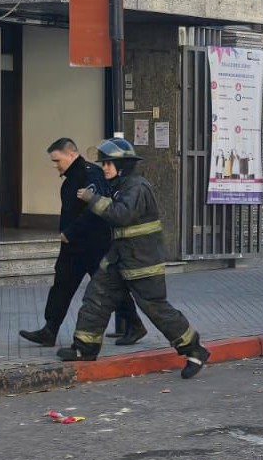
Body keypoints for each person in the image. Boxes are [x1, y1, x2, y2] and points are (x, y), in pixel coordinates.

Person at [57, 138, 210, 379]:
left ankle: (195, 350)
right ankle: (84, 349)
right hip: (118, 260)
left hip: (142, 262)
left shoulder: (137, 187)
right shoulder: (120, 185)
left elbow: (121, 215)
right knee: (96, 298)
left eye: (109, 163)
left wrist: (92, 199)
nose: (104, 167)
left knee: (156, 308)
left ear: (124, 165)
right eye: (104, 163)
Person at [19, 138, 142, 347]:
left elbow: (95, 210)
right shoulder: (72, 179)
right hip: (73, 247)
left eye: (57, 160)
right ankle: (50, 330)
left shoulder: (90, 174)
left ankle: (134, 324)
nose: (56, 165)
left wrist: (71, 232)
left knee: (108, 287)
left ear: (70, 154)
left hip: (94, 245)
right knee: (61, 286)